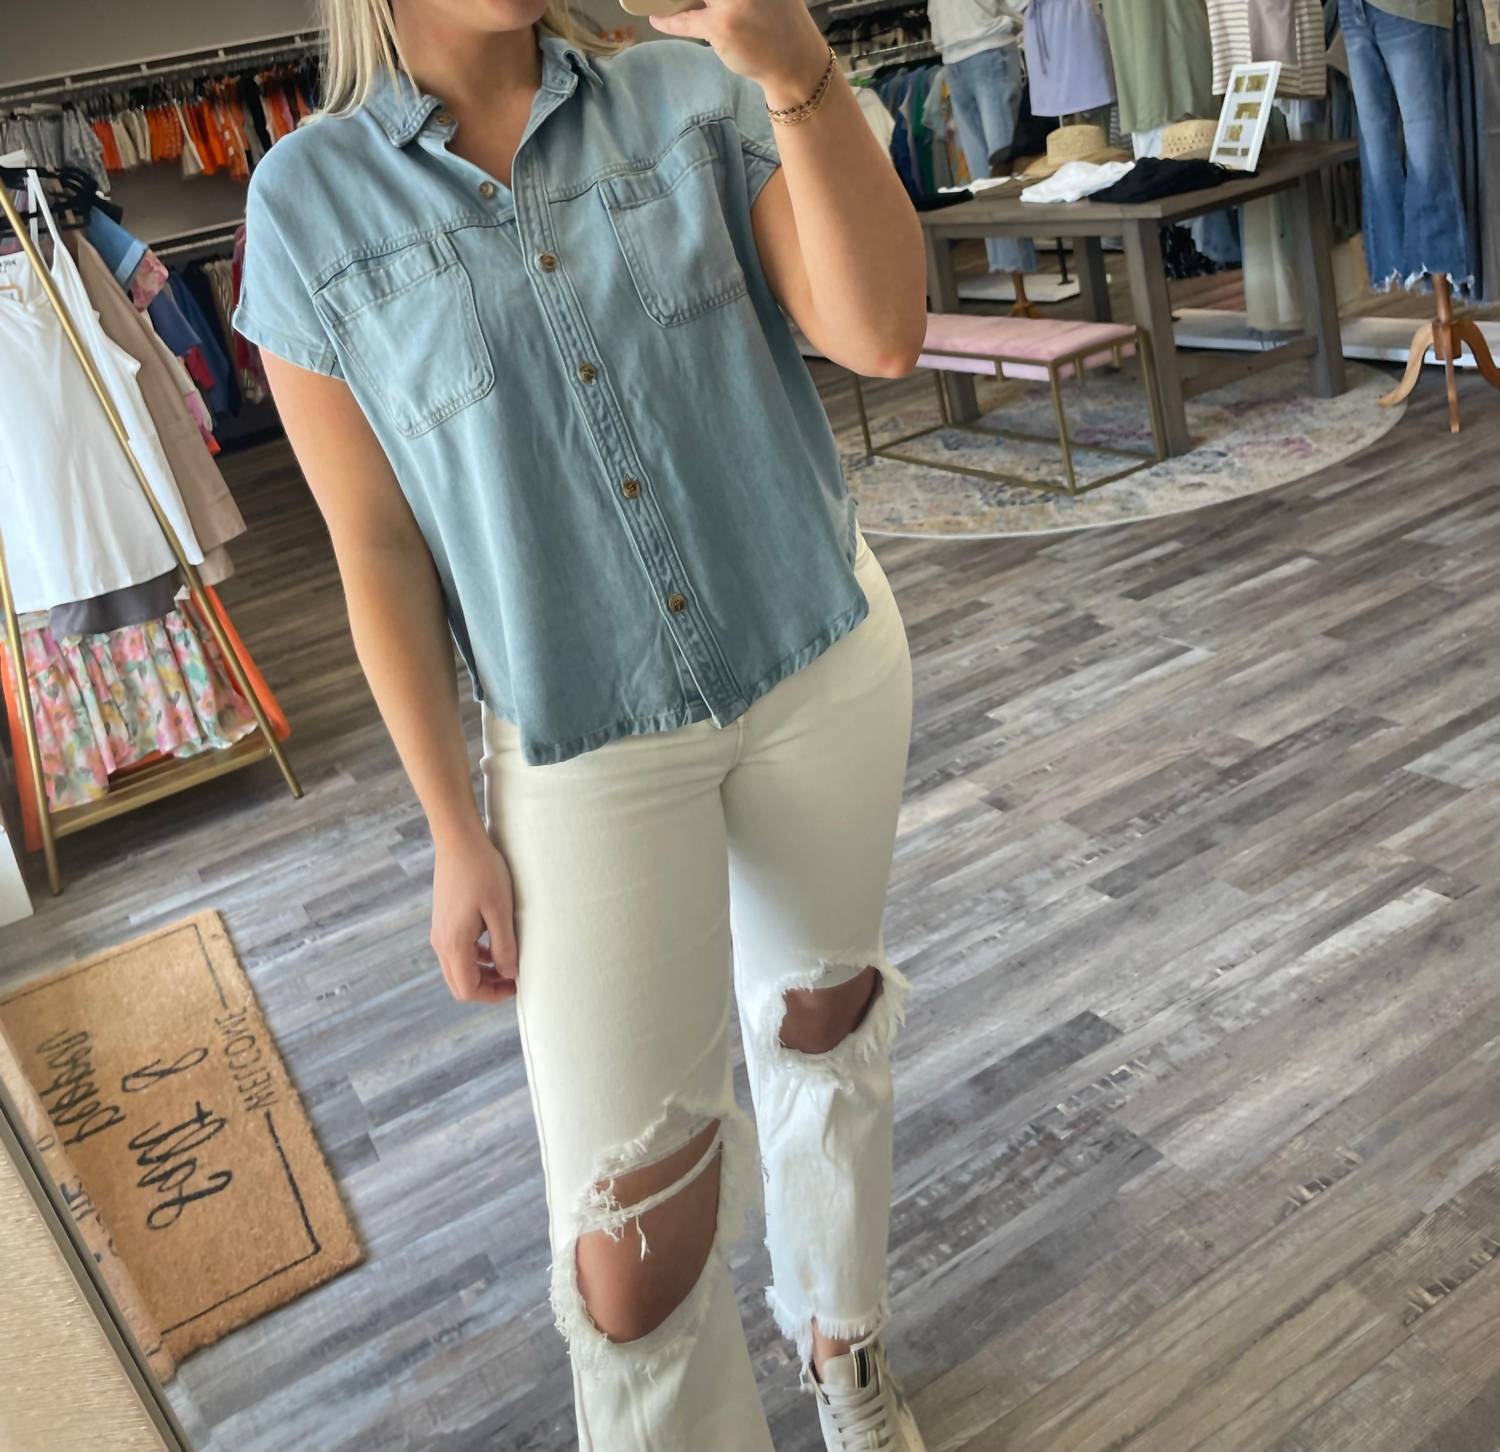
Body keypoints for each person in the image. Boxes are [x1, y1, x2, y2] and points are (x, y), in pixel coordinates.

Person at [230, 0, 930, 1447]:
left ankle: (842, 1341)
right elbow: (377, 549)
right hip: (581, 743)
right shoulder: (307, 201)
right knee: (631, 1229)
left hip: (816, 654)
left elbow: (880, 333)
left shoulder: (692, 93)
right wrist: (452, 827)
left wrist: (795, 65)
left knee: (825, 1020)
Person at [927, 0, 1038, 276]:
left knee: (997, 169)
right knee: (988, 173)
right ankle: (1008, 266)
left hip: (980, 47)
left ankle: (1015, 266)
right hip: (961, 53)